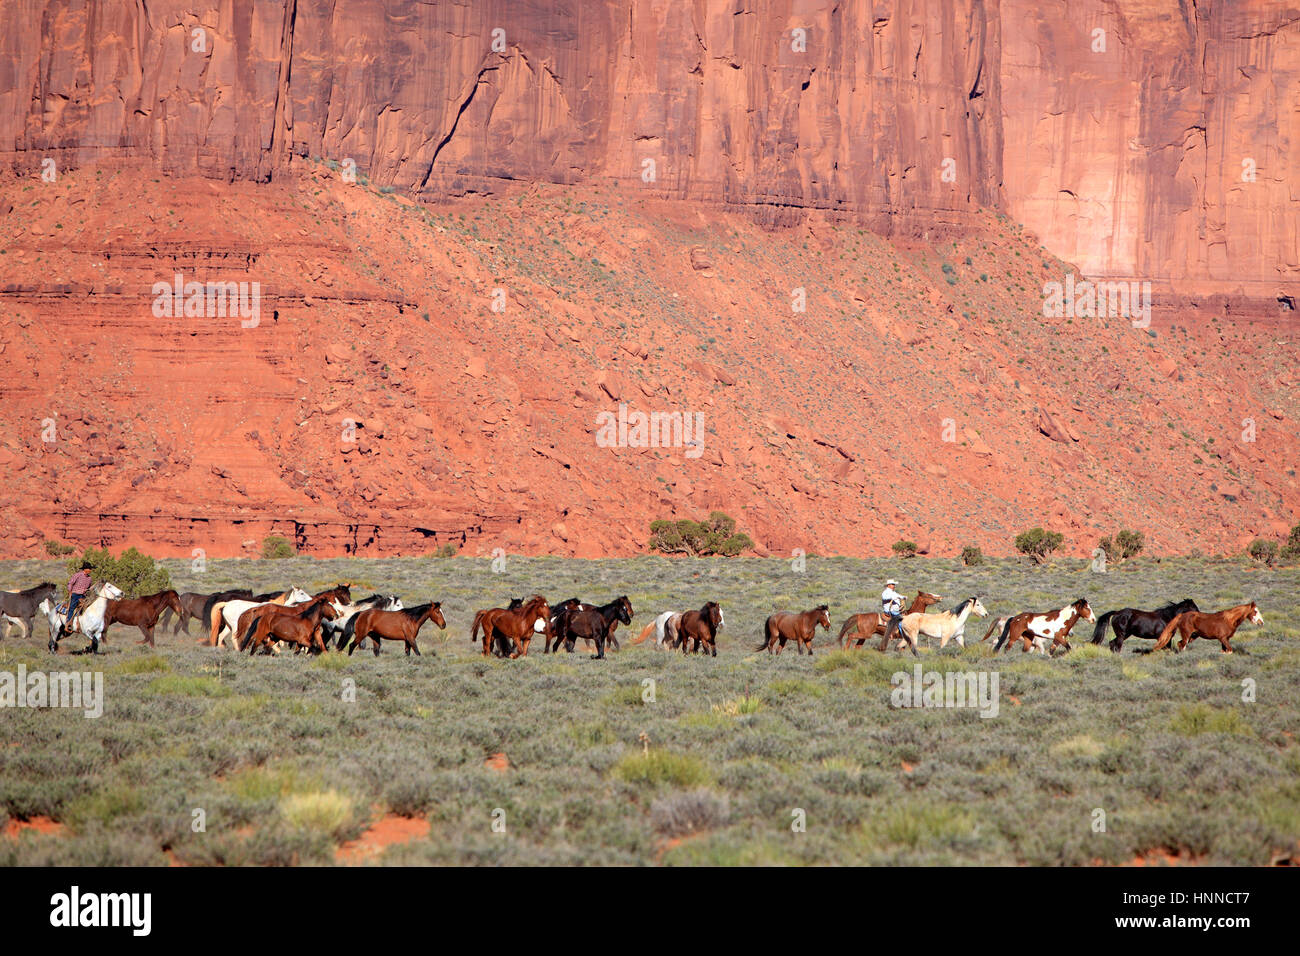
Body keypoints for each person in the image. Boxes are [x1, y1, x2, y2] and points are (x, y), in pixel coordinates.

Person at [60, 562, 94, 638]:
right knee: (72, 607)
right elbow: (70, 583)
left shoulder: (89, 578)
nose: (90, 570)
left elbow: (89, 587)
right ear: (85, 569)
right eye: (89, 569)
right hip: (75, 594)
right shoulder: (78, 575)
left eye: (90, 569)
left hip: (83, 596)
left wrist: (88, 591)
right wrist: (70, 591)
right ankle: (68, 623)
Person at [880, 577, 905, 646]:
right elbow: (884, 598)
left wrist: (903, 597)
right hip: (890, 610)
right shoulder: (885, 592)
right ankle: (904, 635)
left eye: (894, 584)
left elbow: (899, 596)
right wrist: (891, 598)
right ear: (888, 585)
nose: (894, 586)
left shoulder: (893, 592)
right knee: (900, 620)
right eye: (892, 584)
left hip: (895, 610)